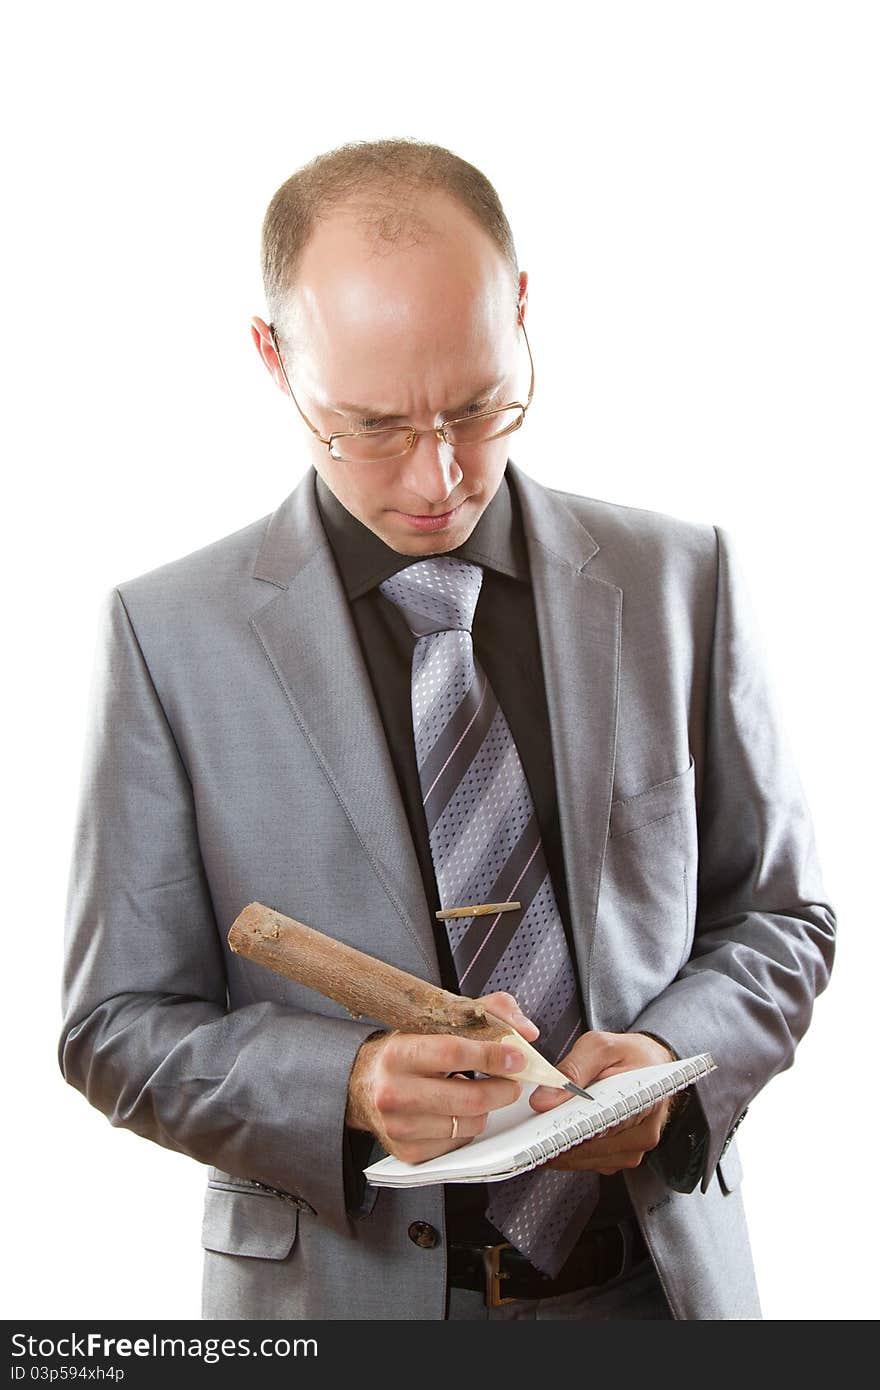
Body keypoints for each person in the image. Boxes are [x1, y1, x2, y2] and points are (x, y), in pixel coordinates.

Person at [59, 138, 836, 1321]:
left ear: (521, 310)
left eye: (480, 407)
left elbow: (780, 916)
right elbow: (115, 1026)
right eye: (368, 425)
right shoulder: (165, 636)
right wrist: (349, 1084)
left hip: (659, 1289)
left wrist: (672, 1071)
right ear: (272, 359)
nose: (438, 476)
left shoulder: (683, 578)